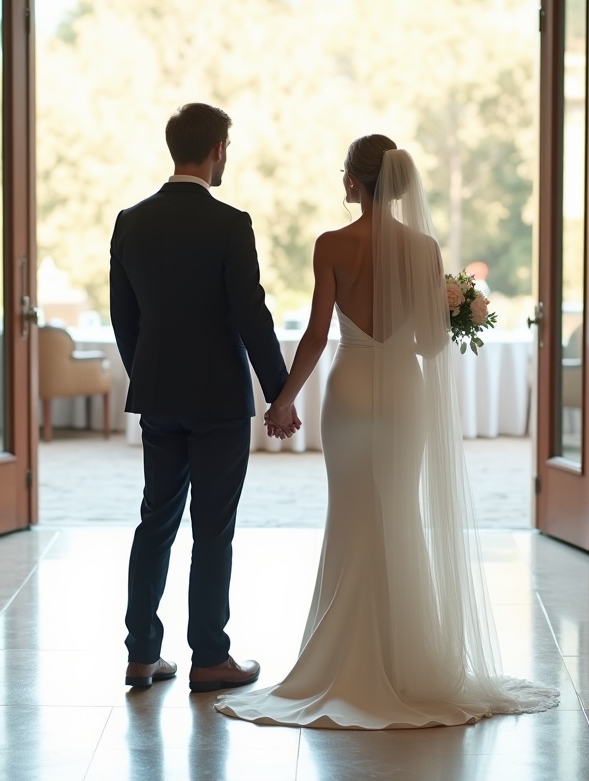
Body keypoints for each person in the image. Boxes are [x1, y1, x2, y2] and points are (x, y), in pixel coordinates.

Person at [215, 135, 558, 728]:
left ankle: (339, 660)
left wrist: (283, 399)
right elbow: (429, 345)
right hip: (403, 392)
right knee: (398, 511)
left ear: (354, 182)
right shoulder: (423, 249)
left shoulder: (332, 245)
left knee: (350, 513)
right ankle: (408, 663)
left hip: (349, 391)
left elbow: (318, 335)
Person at [110, 103, 300, 694]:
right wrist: (280, 393)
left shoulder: (131, 221)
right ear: (217, 149)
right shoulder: (230, 224)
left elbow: (124, 317)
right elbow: (252, 315)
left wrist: (148, 375)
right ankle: (211, 658)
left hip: (160, 396)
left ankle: (142, 654)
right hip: (219, 401)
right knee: (212, 529)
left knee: (155, 522)